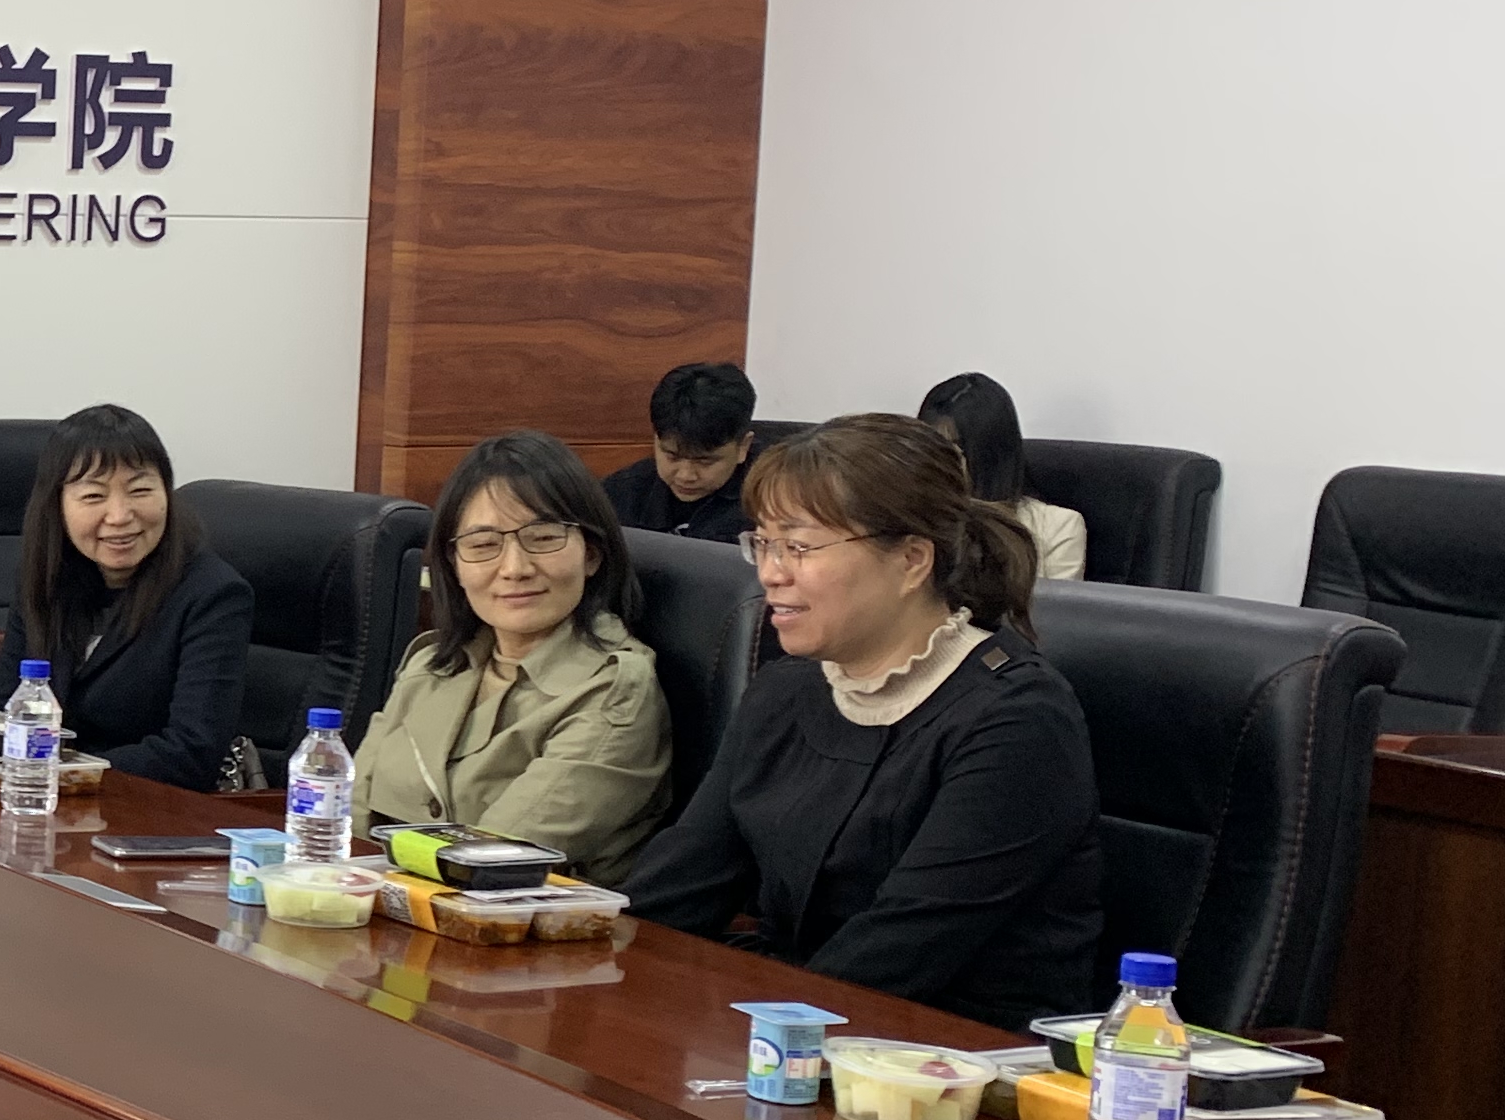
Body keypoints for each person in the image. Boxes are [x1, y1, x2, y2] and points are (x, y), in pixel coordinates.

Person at [625, 413, 1104, 1029]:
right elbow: (681, 885)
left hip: (951, 1049)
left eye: (799, 547)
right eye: (763, 543)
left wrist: (761, 1035)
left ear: (911, 560)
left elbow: (905, 948)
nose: (770, 572)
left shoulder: (1018, 719)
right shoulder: (787, 689)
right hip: (802, 1019)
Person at [353, 431, 672, 884]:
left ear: (592, 554)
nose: (515, 568)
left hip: (530, 921)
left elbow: (491, 859)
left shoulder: (615, 687)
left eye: (542, 537)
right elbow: (347, 818)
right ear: (454, 564)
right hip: (388, 905)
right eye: (483, 545)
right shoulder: (432, 662)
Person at [14, 404, 250, 791]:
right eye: (94, 496)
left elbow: (193, 752)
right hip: (43, 799)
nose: (120, 516)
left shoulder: (213, 595)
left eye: (140, 490)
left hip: (150, 808)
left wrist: (67, 772)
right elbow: (6, 706)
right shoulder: (45, 581)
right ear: (57, 505)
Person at [920, 371, 1087, 581]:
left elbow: (1054, 603)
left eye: (956, 448)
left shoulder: (1057, 528)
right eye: (932, 448)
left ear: (991, 454)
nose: (940, 462)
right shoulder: (912, 519)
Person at [601, 361, 756, 546]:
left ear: (743, 447)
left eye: (705, 461)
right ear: (656, 439)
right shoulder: (619, 495)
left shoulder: (774, 502)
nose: (686, 476)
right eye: (672, 456)